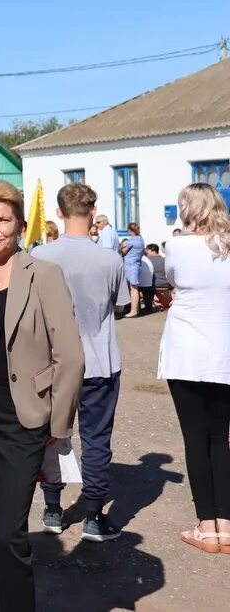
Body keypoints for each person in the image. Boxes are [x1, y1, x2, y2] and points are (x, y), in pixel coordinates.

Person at [0, 180, 84, 612]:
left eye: (3, 221)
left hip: (20, 419)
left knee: (9, 531)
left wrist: (57, 425)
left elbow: (70, 355)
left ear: (20, 224)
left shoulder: (43, 274)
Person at [30, 183, 129, 541]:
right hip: (99, 361)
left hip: (53, 363)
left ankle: (53, 509)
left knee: (53, 435)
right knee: (97, 438)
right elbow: (122, 305)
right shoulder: (109, 258)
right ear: (93, 211)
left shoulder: (41, 255)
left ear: (59, 212)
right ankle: (93, 515)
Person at [157, 183, 230, 554]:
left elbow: (172, 280)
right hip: (224, 353)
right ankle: (227, 525)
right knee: (220, 439)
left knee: (195, 438)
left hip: (186, 352)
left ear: (188, 209)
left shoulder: (178, 246)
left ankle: (206, 524)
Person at [120, 222, 146, 318]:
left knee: (133, 289)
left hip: (131, 266)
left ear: (130, 230)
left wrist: (122, 247)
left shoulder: (131, 241)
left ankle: (133, 310)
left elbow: (123, 249)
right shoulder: (141, 240)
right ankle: (136, 309)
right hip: (137, 265)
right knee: (134, 288)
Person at [146, 244, 172, 310]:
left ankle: (151, 305)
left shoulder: (147, 261)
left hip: (153, 286)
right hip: (166, 285)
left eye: (147, 250)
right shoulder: (164, 260)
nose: (146, 252)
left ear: (153, 251)